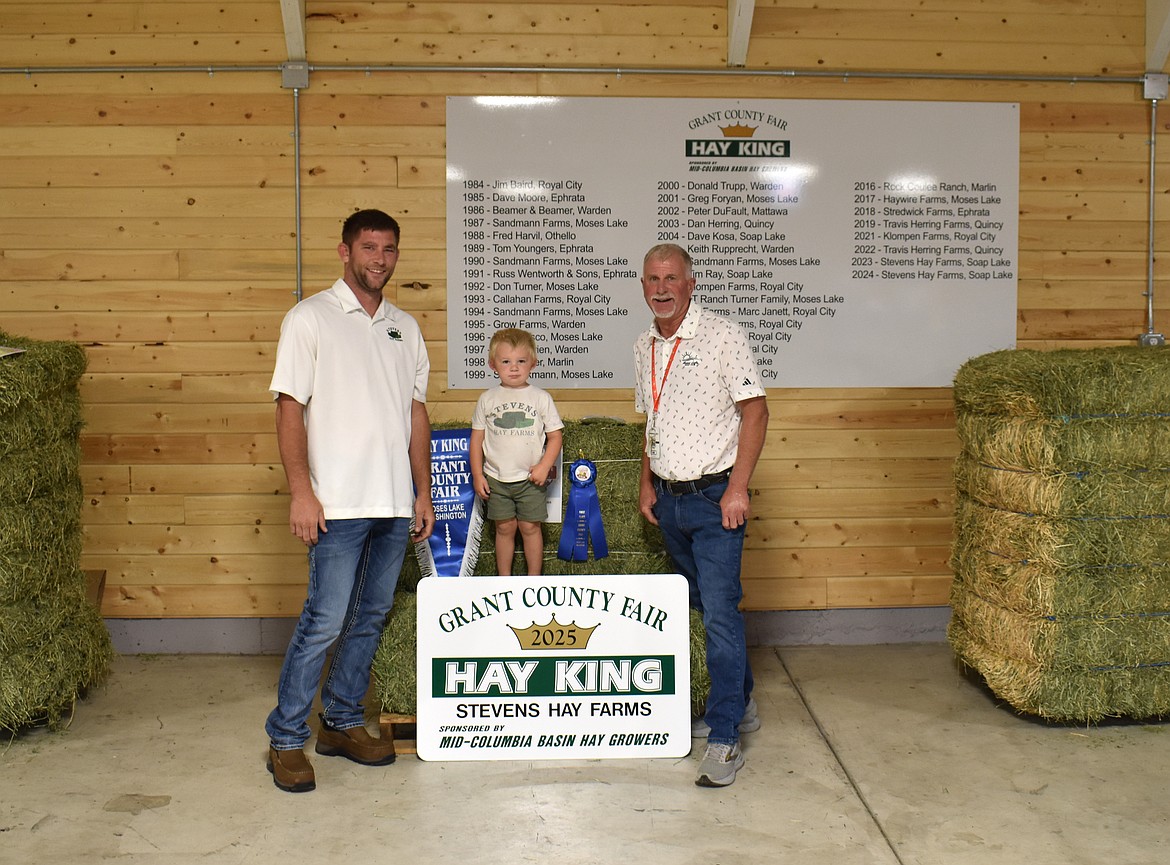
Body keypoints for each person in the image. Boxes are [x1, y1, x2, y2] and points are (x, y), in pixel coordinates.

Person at [264, 209, 435, 793]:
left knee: (369, 617)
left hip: (391, 502)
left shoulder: (404, 327)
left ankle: (338, 721)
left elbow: (415, 412)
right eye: (368, 248)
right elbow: (290, 407)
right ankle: (286, 739)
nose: (379, 259)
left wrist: (423, 490)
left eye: (388, 249)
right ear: (345, 252)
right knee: (324, 620)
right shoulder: (309, 318)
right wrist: (301, 492)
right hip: (334, 501)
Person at [634, 243, 768, 788]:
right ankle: (743, 701)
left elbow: (755, 411)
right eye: (651, 279)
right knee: (707, 607)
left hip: (716, 501)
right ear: (642, 286)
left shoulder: (722, 336)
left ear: (691, 283)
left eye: (671, 278)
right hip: (669, 500)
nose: (661, 288)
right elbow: (650, 419)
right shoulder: (643, 343)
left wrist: (738, 488)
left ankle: (724, 736)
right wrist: (646, 483)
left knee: (718, 612)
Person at [470, 327, 564, 576]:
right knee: (505, 528)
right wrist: (478, 475)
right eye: (506, 361)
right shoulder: (487, 399)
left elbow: (555, 437)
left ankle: (534, 579)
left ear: (533, 363)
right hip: (496, 478)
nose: (514, 368)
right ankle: (505, 580)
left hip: (530, 479)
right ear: (493, 364)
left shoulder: (540, 398)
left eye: (521, 361)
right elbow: (476, 439)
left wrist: (544, 466)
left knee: (530, 527)